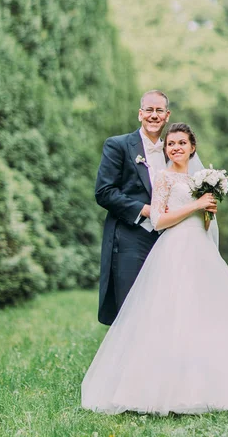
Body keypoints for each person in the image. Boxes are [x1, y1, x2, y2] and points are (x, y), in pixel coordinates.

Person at [82, 123, 228, 414]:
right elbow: (158, 220)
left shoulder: (201, 179)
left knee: (210, 314)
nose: (176, 148)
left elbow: (205, 225)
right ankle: (161, 387)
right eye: (170, 144)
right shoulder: (164, 177)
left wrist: (209, 212)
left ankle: (216, 382)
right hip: (174, 250)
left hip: (201, 251)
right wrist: (196, 206)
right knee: (173, 313)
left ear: (192, 146)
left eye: (182, 143)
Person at [94, 90, 170, 325]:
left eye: (159, 111)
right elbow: (104, 192)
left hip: (168, 241)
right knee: (131, 309)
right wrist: (145, 210)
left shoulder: (174, 150)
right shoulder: (118, 145)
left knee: (164, 307)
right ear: (140, 114)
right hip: (130, 238)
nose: (154, 115)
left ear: (167, 116)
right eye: (149, 110)